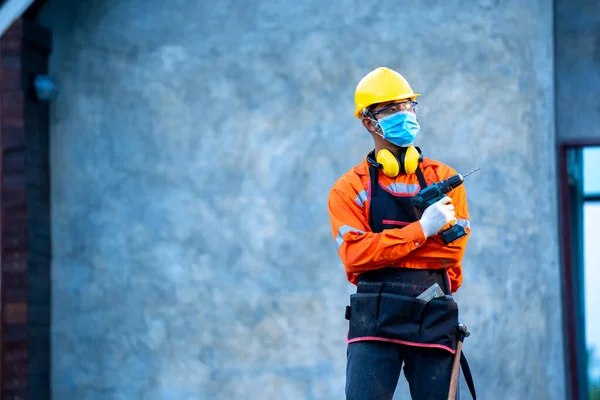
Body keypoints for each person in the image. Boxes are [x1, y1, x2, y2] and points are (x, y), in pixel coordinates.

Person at [327, 67, 474, 400]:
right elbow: (354, 256)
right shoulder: (349, 189)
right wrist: (423, 230)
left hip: (432, 313)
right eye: (392, 109)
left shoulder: (445, 178)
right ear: (368, 122)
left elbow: (450, 253)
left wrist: (381, 251)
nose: (404, 115)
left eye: (409, 106)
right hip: (373, 322)